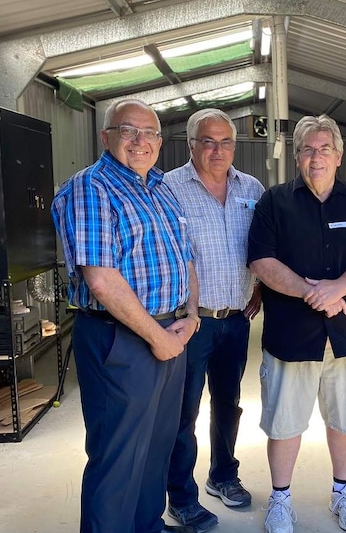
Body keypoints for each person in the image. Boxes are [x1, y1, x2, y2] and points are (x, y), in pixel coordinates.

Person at [51, 99, 200, 533]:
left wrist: (191, 315)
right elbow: (101, 279)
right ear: (106, 137)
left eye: (150, 133)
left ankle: (147, 526)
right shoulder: (90, 188)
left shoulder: (159, 185)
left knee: (155, 446)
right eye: (128, 131)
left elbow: (185, 255)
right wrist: (158, 337)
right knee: (118, 455)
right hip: (120, 338)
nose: (141, 141)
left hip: (172, 331)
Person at [247, 114, 346, 533]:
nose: (317, 157)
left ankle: (343, 493)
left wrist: (339, 288)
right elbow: (262, 261)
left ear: (339, 155)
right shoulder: (274, 201)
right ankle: (279, 501)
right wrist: (315, 294)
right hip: (291, 335)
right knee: (284, 421)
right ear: (297, 156)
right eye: (308, 149)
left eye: (324, 149)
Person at [163, 109, 265, 530]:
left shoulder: (252, 188)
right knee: (183, 411)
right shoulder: (168, 188)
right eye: (207, 141)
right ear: (191, 145)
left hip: (236, 319)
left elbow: (261, 247)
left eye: (225, 142)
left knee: (228, 403)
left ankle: (223, 475)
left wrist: (258, 287)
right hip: (189, 324)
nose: (217, 150)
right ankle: (181, 497)